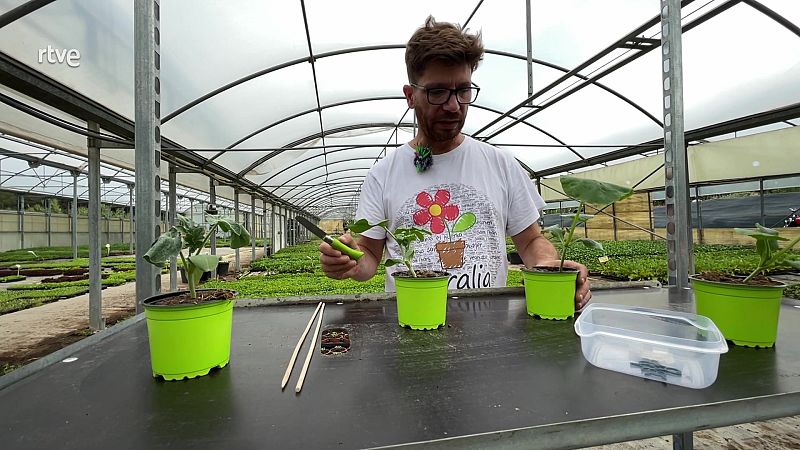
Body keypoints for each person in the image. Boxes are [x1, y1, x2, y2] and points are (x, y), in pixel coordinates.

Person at [320, 16, 591, 310]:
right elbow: (370, 255)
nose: (453, 105)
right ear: (411, 96)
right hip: (414, 326)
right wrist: (349, 262)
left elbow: (529, 241)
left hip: (488, 337)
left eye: (463, 90)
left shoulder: (501, 164)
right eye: (438, 92)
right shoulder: (383, 175)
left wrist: (550, 265)